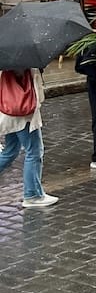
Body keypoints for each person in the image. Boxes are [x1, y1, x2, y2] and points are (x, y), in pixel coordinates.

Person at [0, 68, 58, 207]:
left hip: (8, 112)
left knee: (10, 151)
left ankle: (33, 193)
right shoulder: (24, 62)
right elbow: (36, 91)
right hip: (23, 114)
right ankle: (32, 194)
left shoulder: (6, 59)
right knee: (34, 151)